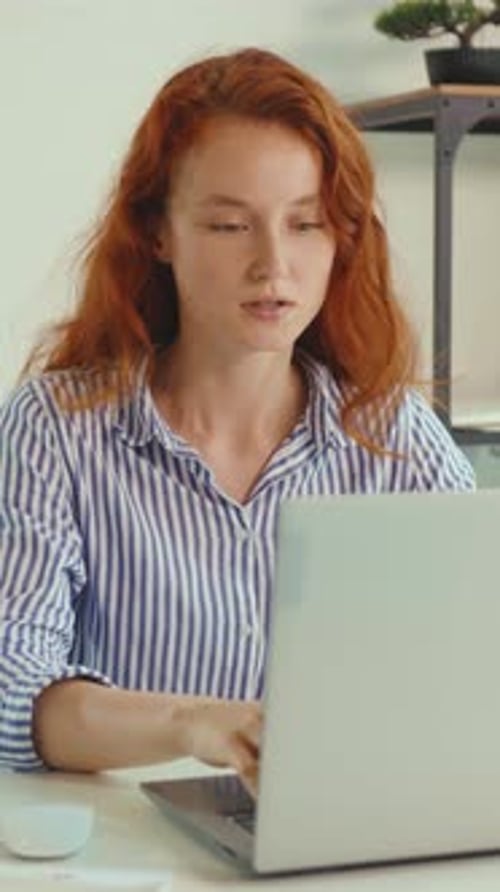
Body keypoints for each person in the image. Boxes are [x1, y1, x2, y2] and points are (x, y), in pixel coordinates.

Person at [0, 47, 474, 794]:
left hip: (345, 842)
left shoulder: (397, 439)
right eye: (228, 226)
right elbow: (15, 692)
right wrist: (193, 724)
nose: (272, 266)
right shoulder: (57, 429)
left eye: (307, 224)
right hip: (130, 858)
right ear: (158, 234)